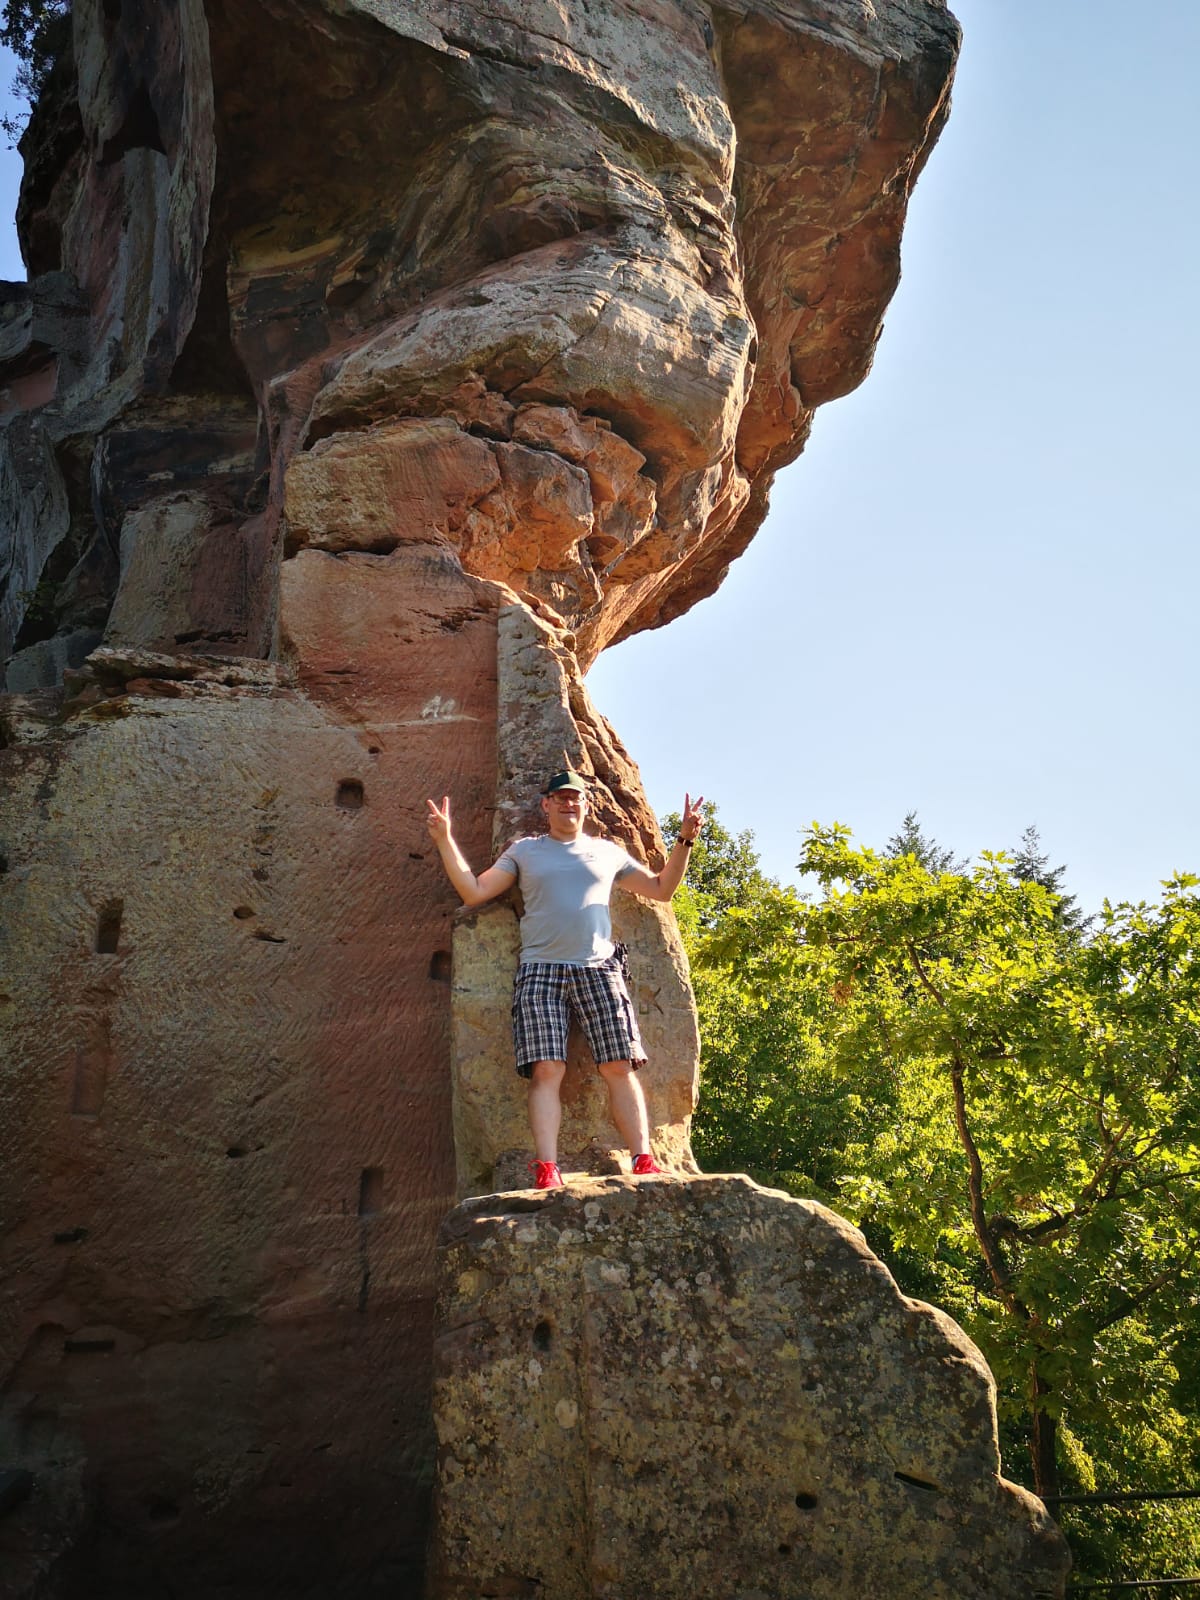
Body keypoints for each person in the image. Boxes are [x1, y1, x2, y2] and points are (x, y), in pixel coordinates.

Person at [425, 771, 704, 1189]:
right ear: (546, 805)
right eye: (560, 798)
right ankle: (547, 1169)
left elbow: (662, 889)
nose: (568, 804)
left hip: (599, 968)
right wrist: (444, 838)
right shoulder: (525, 852)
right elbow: (475, 891)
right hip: (540, 970)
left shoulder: (606, 853)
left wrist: (684, 840)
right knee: (546, 1070)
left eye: (575, 798)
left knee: (619, 1065)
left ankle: (643, 1159)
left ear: (586, 806)